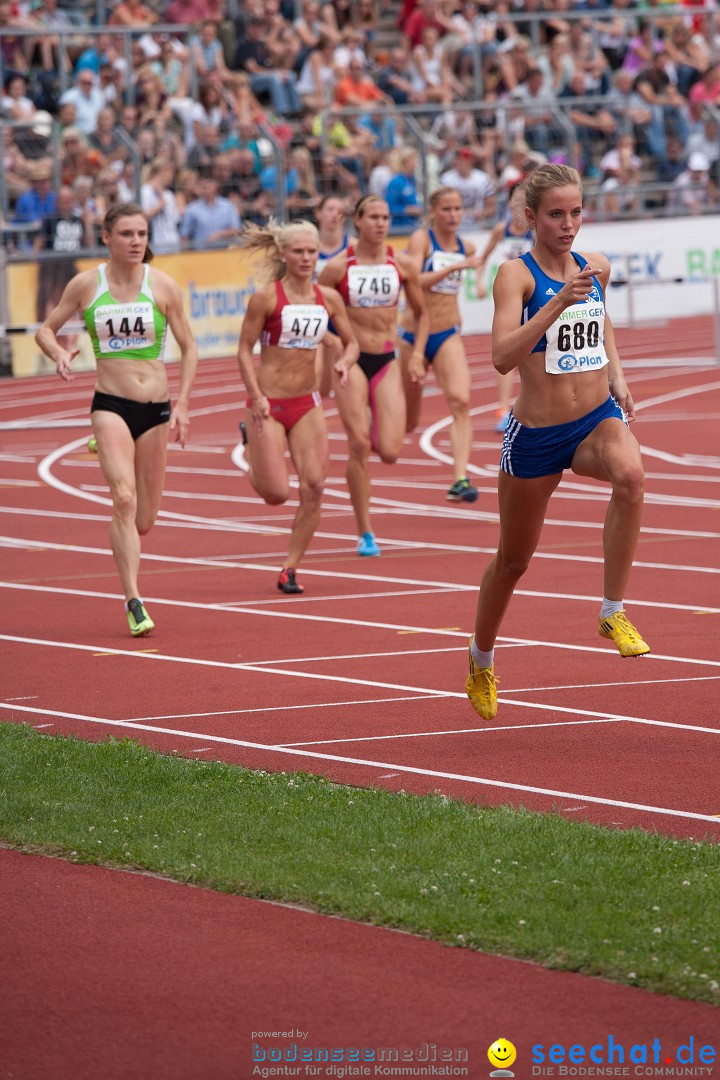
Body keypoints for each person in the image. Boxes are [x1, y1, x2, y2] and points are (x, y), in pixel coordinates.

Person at [465, 164, 649, 722]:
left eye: (575, 213)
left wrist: (616, 374)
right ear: (531, 217)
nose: (568, 224)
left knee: (632, 476)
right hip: (537, 437)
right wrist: (556, 303)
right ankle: (480, 657)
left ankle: (612, 609)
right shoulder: (514, 277)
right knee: (513, 561)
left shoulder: (595, 267)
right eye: (555, 214)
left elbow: (602, 321)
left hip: (595, 418)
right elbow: (501, 357)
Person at [35, 203, 198, 637]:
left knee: (144, 519)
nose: (136, 242)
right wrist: (58, 352)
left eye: (142, 234)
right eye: (126, 234)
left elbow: (190, 347)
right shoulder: (87, 285)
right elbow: (45, 330)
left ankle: (111, 447)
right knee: (123, 500)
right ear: (106, 237)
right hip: (110, 403)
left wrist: (182, 404)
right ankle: (133, 600)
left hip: (156, 408)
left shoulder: (162, 285)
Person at [236, 220, 359, 595]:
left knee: (315, 486)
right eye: (299, 252)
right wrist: (255, 395)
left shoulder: (328, 299)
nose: (306, 258)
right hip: (268, 404)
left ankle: (290, 566)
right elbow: (243, 349)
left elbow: (351, 343)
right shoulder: (267, 298)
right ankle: (249, 447)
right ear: (284, 255)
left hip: (307, 404)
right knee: (276, 494)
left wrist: (344, 361)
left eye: (311, 251)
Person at [319, 194, 428, 557]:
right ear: (358, 222)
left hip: (386, 359)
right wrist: (337, 344)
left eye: (386, 217)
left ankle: (385, 425)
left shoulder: (403, 264)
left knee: (391, 452)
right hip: (351, 361)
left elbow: (421, 314)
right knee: (359, 444)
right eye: (374, 217)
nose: (381, 223)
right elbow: (317, 313)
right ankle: (365, 531)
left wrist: (416, 358)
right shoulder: (336, 268)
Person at [398, 186, 485, 503]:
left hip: (447, 333)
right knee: (409, 422)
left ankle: (460, 478)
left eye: (458, 209)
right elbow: (413, 280)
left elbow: (453, 291)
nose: (453, 215)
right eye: (446, 209)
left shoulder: (468, 245)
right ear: (433, 211)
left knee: (461, 401)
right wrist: (452, 268)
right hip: (412, 336)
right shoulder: (422, 240)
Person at [475, 182, 535, 433]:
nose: (517, 207)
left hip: (533, 299)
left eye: (522, 202)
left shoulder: (536, 230)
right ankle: (503, 410)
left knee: (533, 359)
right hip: (509, 299)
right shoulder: (501, 230)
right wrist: (478, 280)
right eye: (514, 202)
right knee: (505, 354)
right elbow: (482, 259)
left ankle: (530, 408)